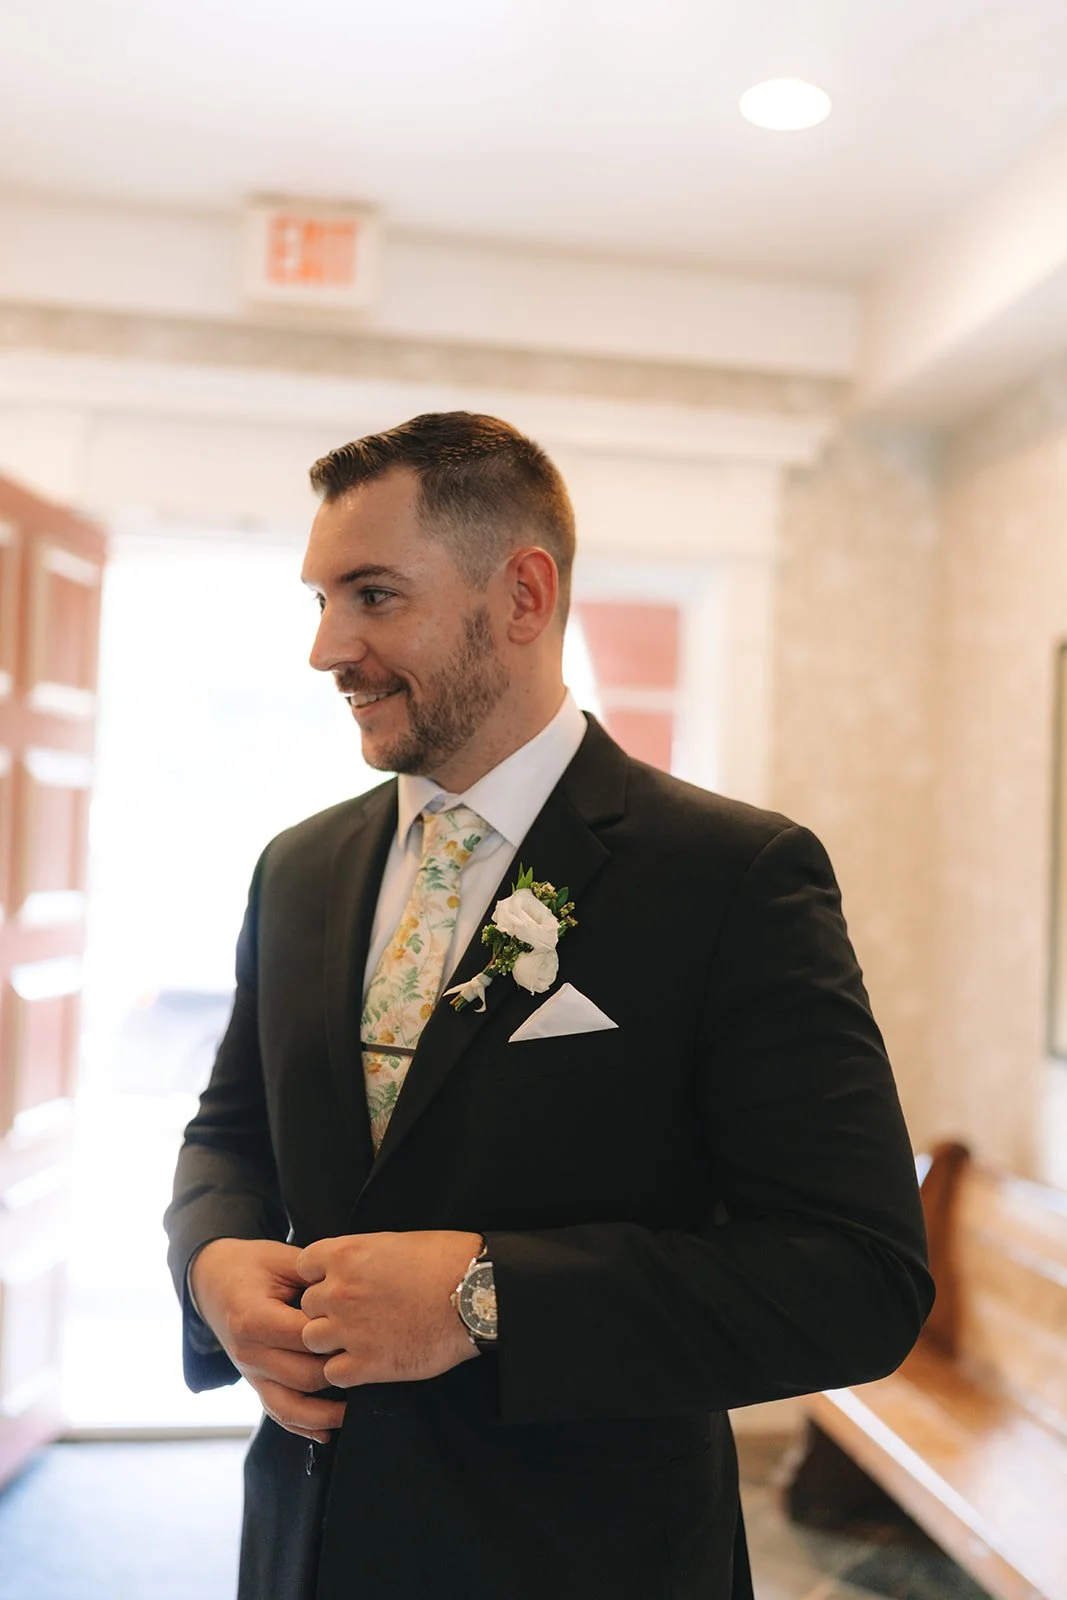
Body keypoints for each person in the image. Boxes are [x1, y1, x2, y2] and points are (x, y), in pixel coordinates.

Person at [165, 411, 933, 1600]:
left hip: (586, 1556)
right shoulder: (299, 868)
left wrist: (485, 1299)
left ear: (522, 594)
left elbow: (855, 1280)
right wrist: (214, 1266)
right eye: (318, 599)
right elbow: (231, 1131)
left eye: (371, 595)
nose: (328, 647)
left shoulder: (729, 876)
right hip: (308, 1543)